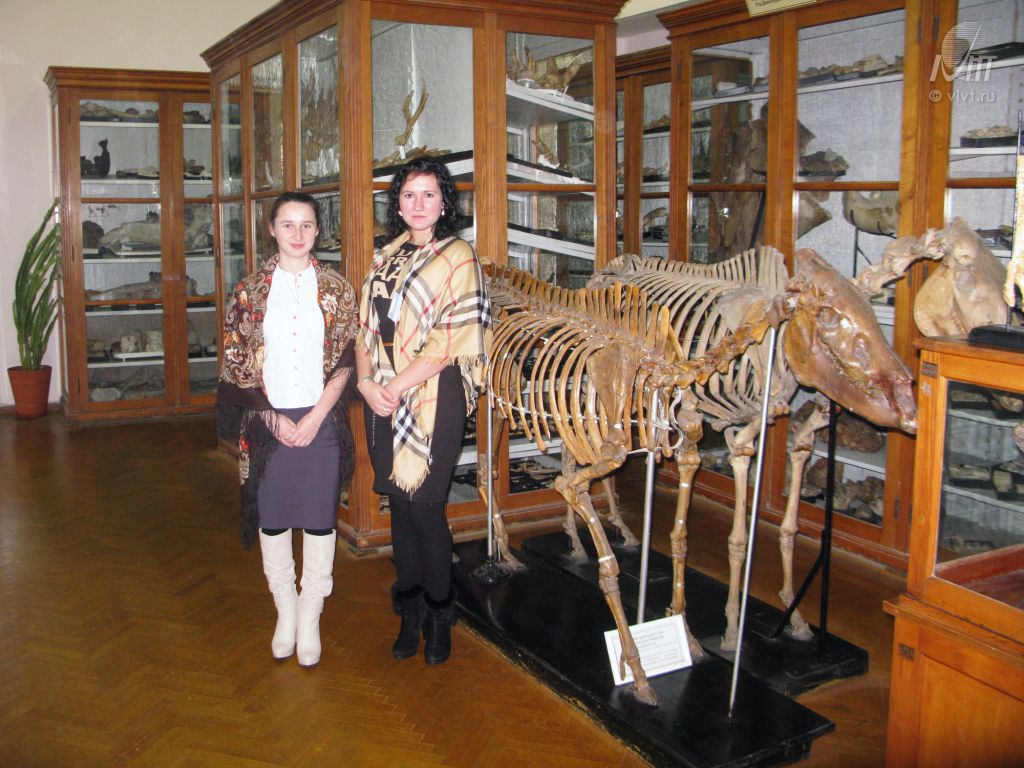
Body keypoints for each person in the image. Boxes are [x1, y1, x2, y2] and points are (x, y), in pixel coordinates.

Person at [356, 157, 491, 665]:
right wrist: (367, 384)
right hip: (380, 393)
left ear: (444, 202)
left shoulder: (458, 256)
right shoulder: (384, 257)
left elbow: (452, 340)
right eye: (408, 194)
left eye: (429, 194)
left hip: (435, 393)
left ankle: (439, 613)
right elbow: (365, 331)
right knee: (398, 504)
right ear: (397, 203)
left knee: (425, 508)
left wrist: (394, 386)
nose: (418, 204)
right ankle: (409, 609)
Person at [216, 191, 358, 668]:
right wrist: (271, 418)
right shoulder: (249, 291)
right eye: (288, 224)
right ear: (271, 230)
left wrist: (316, 417)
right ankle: (286, 611)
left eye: (307, 225)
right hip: (266, 422)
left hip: (321, 419)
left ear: (318, 230)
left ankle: (311, 613)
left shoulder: (337, 289)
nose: (298, 234)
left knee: (320, 521)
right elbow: (236, 360)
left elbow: (346, 360)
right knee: (272, 519)